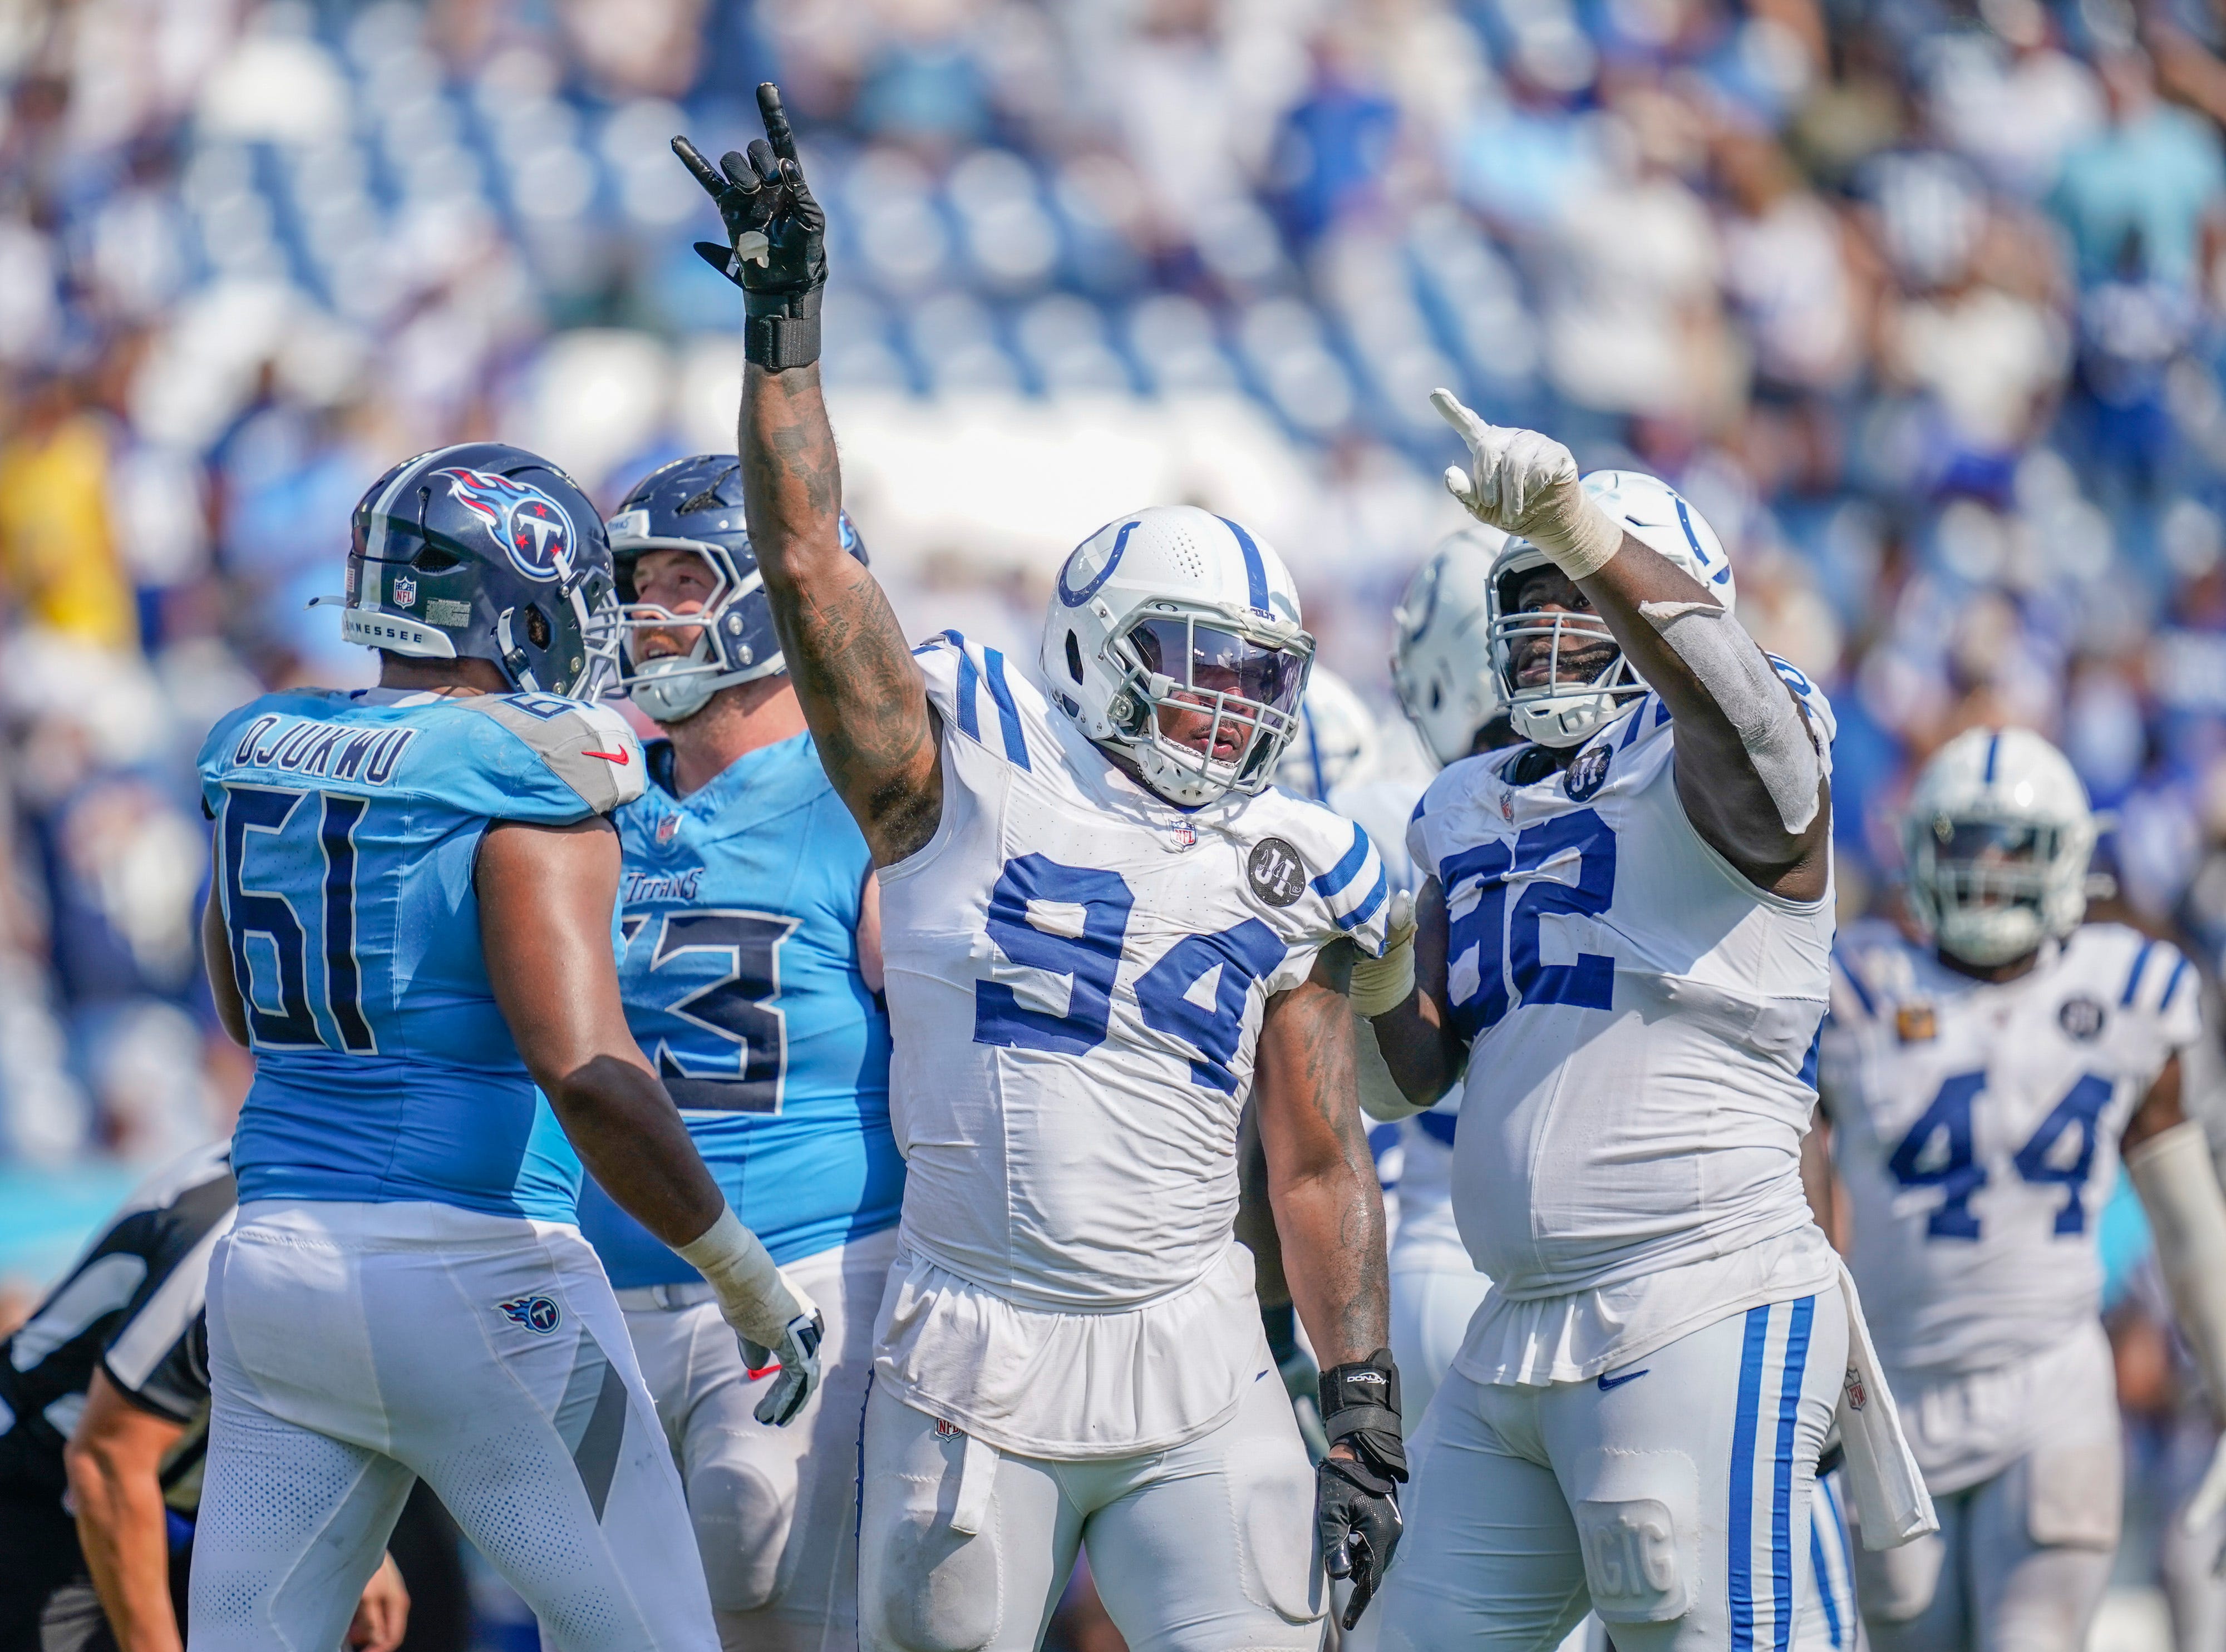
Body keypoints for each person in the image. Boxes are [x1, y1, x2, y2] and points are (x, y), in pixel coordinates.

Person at [676, 86, 1405, 1646]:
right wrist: (787, 343)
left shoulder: (1291, 858)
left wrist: (1362, 1395)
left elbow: (1321, 1157)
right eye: (1189, 664)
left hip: (1199, 1349)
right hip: (973, 1351)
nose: (1224, 705)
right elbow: (810, 567)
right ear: (1090, 651)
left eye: (1251, 677)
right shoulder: (965, 768)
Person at [186, 443, 819, 1652]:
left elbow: (236, 998)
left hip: (271, 1265)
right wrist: (744, 1276)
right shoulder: (528, 760)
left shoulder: (256, 741)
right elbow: (582, 1066)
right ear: (521, 595)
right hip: (477, 1267)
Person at [1360, 401, 1934, 1649]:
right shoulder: (1463, 804)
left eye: (1578, 594)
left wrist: (1579, 524)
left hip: (1693, 1294)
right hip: (1510, 1324)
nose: (1549, 628)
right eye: (1528, 597)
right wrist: (1352, 955)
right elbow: (1403, 1075)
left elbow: (1746, 731)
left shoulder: (1736, 751)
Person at [576, 455, 898, 1651]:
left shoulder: (866, 796)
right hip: (595, 1294)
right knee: (593, 1614)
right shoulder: (589, 796)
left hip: (810, 1272)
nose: (647, 608)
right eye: (637, 581)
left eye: (680, 578)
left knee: (757, 1565)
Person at [1815, 726, 2226, 1652]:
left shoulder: (2127, 987)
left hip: (2051, 1382)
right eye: (1966, 844)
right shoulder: (1853, 986)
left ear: (2073, 859)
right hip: (1892, 1393)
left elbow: (2188, 1222)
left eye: (2015, 849)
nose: (1989, 873)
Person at [0, 1142, 408, 1652]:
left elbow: (285, 1386)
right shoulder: (239, 1237)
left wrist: (358, 1544)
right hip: (43, 1485)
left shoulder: (340, 1191)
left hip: (174, 1497)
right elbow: (107, 1459)